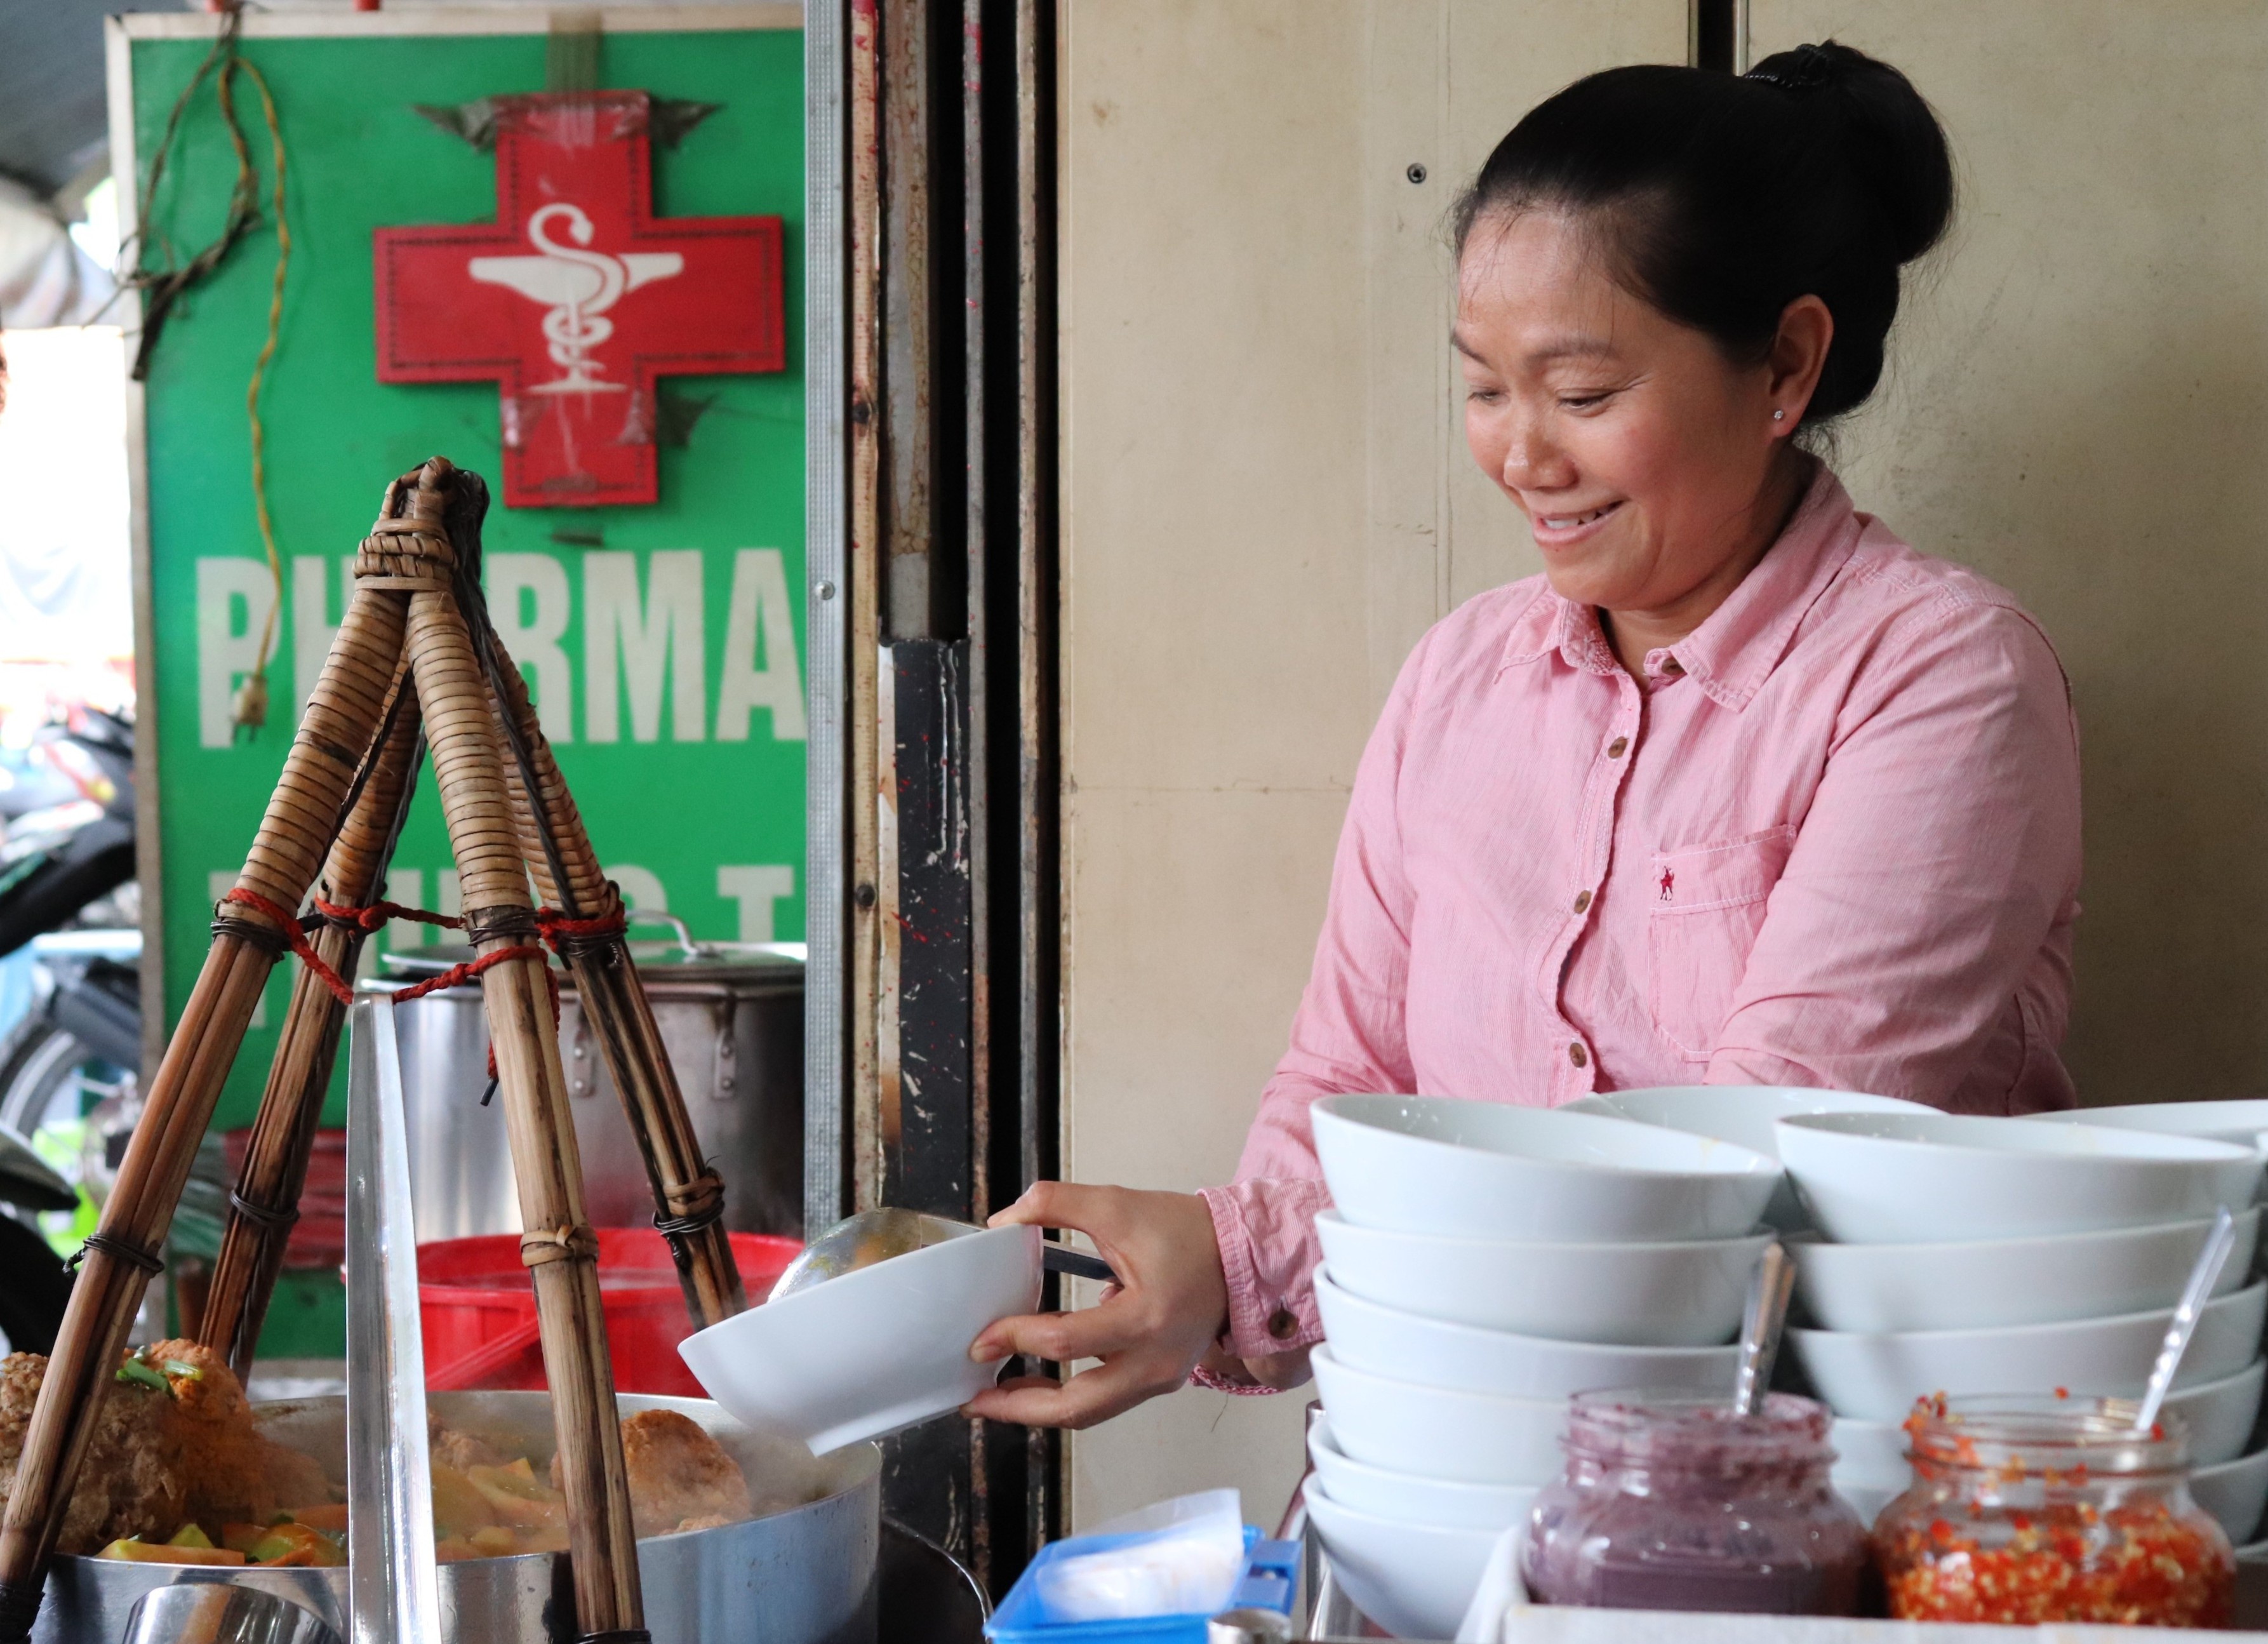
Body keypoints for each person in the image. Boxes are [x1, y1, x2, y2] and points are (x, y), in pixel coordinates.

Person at [967, 42, 2082, 1433]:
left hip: (1807, 1478)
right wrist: (1212, 1269)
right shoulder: (1461, 678)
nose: (1519, 455)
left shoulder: (1937, 677)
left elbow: (1760, 1173)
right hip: (1453, 1444)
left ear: (1786, 364)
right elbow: (1353, 1080)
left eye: (1584, 394)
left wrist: (1250, 1259)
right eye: (1487, 386)